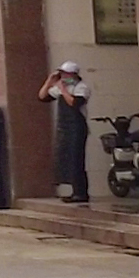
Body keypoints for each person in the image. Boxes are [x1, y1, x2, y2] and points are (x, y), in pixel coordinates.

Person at [43, 61, 90, 203]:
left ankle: (81, 192)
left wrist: (63, 89)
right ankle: (73, 190)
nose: (63, 76)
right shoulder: (60, 87)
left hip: (77, 128)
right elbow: (42, 97)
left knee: (76, 159)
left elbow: (74, 103)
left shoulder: (81, 87)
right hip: (64, 128)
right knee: (66, 159)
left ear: (74, 75)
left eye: (66, 74)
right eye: (62, 74)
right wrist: (49, 82)